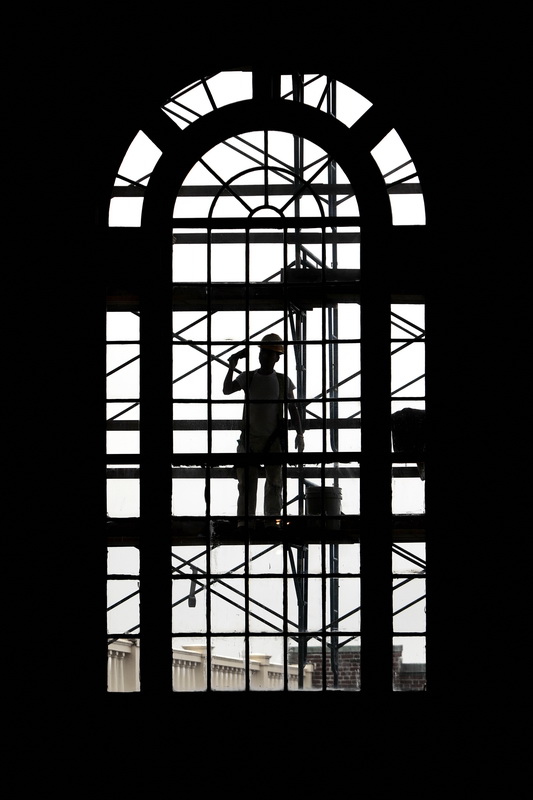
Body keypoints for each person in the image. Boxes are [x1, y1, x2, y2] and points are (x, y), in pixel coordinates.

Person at [223, 333, 305, 526]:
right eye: (264, 353)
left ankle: (269, 521)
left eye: (270, 354)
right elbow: (227, 390)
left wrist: (300, 434)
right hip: (254, 441)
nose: (266, 357)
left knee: (272, 484)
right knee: (249, 486)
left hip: (269, 440)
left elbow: (292, 408)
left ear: (277, 358)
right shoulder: (250, 377)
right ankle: (251, 522)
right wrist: (232, 367)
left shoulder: (279, 381)